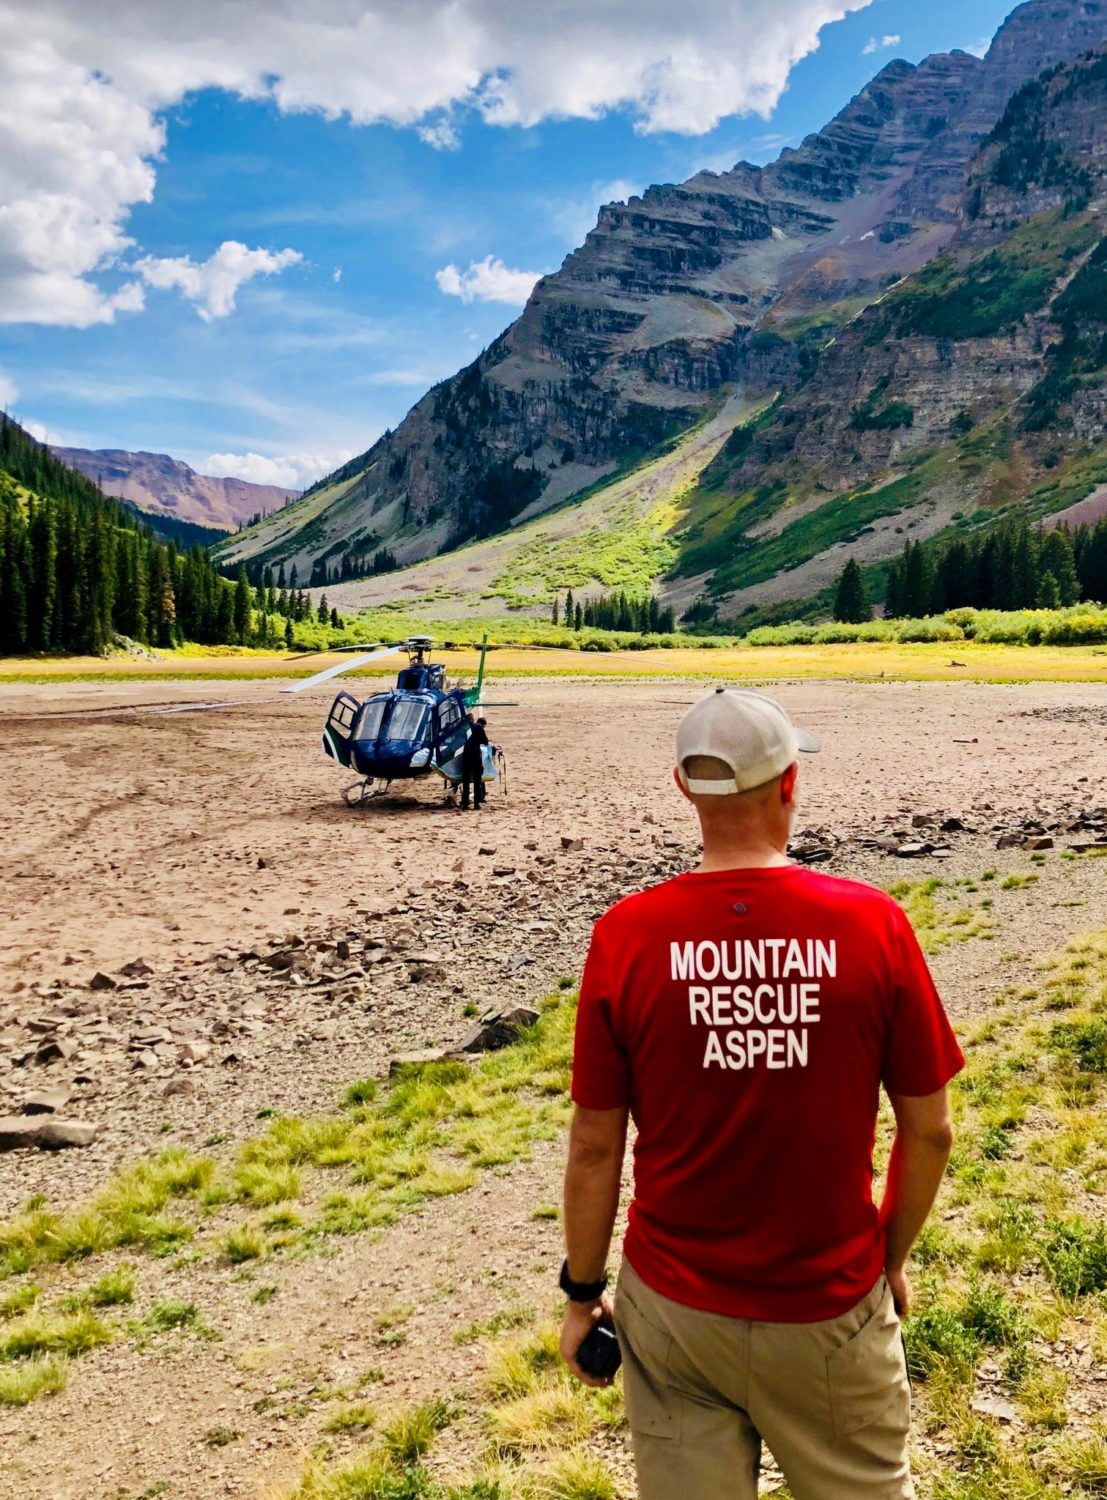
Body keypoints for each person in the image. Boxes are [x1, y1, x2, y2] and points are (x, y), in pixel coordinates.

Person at [559, 687, 963, 1500]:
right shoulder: (871, 924)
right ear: (789, 784)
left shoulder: (626, 935)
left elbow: (595, 1144)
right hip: (825, 1306)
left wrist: (580, 1294)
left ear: (683, 790)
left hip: (671, 1308)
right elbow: (930, 1132)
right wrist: (886, 1258)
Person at [459, 712, 489, 811]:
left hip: (466, 756)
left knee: (466, 782)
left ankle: (465, 804)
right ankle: (476, 804)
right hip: (475, 757)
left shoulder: (463, 728)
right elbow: (485, 741)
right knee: (477, 781)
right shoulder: (478, 727)